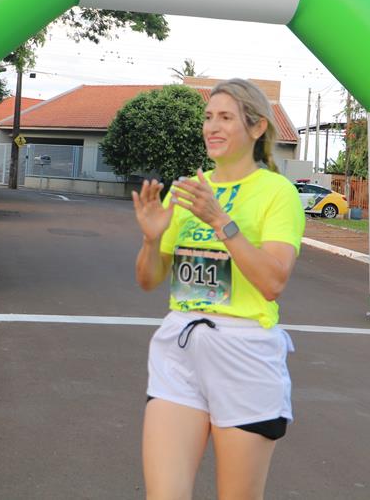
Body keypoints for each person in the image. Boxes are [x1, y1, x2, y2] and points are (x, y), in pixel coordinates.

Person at [131, 78, 305, 499]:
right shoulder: (187, 191)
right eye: (209, 117)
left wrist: (220, 221)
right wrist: (152, 239)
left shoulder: (277, 193)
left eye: (226, 117)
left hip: (245, 354)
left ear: (257, 127)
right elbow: (149, 280)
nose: (212, 127)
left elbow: (273, 282)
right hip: (180, 346)